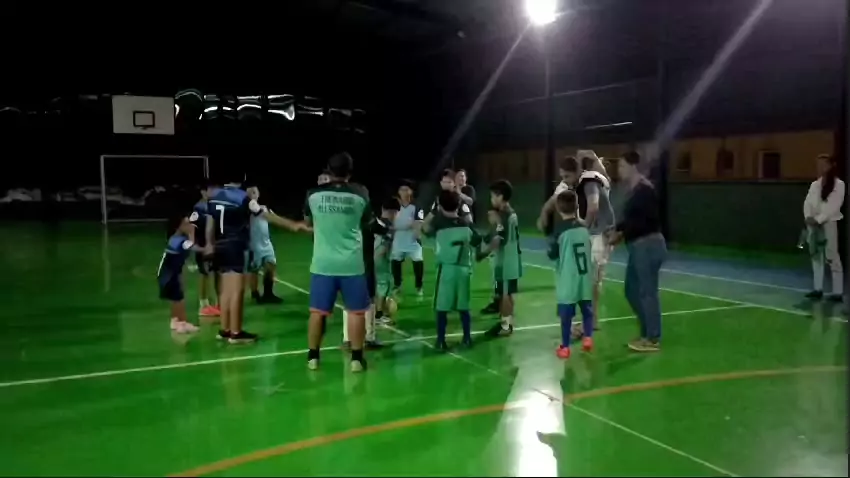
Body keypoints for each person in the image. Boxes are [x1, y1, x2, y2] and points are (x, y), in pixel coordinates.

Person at [206, 178, 307, 344]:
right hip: (235, 246)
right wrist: (292, 225)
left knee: (225, 291)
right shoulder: (242, 198)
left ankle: (225, 330)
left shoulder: (215, 196)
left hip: (220, 245)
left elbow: (210, 223)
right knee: (237, 291)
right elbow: (264, 214)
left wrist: (210, 244)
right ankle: (236, 333)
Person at [303, 152, 373, 372]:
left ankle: (313, 357)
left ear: (328, 170)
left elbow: (308, 223)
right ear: (349, 172)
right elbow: (367, 222)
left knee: (317, 312)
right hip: (351, 263)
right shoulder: (361, 193)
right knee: (356, 312)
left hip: (323, 263)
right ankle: (356, 359)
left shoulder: (313, 195)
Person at [605, 151, 666, 352]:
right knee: (631, 290)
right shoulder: (633, 190)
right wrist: (617, 228)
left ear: (633, 167)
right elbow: (633, 219)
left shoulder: (645, 190)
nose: (619, 170)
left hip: (648, 245)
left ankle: (652, 338)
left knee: (647, 292)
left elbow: (646, 221)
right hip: (637, 246)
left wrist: (620, 234)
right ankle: (646, 331)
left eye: (622, 166)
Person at [423, 190, 487, 351]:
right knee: (464, 305)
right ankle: (467, 338)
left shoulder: (438, 223)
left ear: (440, 205)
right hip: (464, 270)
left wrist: (433, 212)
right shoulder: (466, 224)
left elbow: (424, 228)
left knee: (442, 306)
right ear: (459, 205)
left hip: (446, 269)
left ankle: (441, 341)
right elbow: (478, 241)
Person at [343, 197, 399, 348]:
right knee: (369, 300)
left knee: (349, 300)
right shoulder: (370, 222)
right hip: (365, 265)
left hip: (347, 264)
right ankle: (369, 337)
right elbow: (384, 231)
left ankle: (348, 338)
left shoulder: (348, 222)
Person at [547, 190, 594, 359]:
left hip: (568, 278)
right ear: (576, 206)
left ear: (559, 209)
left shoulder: (560, 230)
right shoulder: (584, 227)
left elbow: (553, 254)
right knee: (587, 309)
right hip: (585, 275)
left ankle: (565, 347)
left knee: (566, 315)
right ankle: (588, 338)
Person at [158, 214, 211, 334]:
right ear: (179, 226)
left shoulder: (175, 239)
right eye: (187, 224)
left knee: (175, 298)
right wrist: (194, 236)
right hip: (170, 275)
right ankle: (182, 323)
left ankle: (175, 320)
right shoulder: (179, 241)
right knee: (179, 299)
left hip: (169, 274)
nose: (190, 226)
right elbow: (194, 247)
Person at [803, 153, 845, 301]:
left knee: (832, 256)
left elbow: (833, 206)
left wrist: (818, 219)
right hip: (813, 225)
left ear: (831, 165)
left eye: (824, 164)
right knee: (816, 255)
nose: (820, 167)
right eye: (818, 164)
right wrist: (808, 217)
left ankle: (837, 292)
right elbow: (807, 203)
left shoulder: (839, 184)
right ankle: (818, 288)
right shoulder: (815, 185)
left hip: (828, 224)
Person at [486, 180, 523, 337]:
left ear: (500, 197)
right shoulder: (506, 213)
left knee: (506, 293)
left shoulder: (505, 215)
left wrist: (484, 252)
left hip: (507, 261)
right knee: (504, 293)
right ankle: (505, 322)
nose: (491, 199)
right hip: (507, 260)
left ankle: (506, 326)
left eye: (493, 196)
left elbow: (501, 239)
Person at [245, 184, 282, 304]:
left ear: (258, 194)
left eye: (255, 192)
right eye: (250, 192)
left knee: (271, 265)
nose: (253, 194)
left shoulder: (265, 208)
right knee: (254, 270)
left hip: (266, 243)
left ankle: (268, 294)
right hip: (253, 245)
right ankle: (255, 293)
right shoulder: (245, 210)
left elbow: (275, 218)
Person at [189, 181, 220, 317]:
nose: (214, 193)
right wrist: (196, 246)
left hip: (216, 244)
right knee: (204, 273)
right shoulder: (198, 209)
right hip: (203, 246)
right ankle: (203, 304)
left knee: (218, 273)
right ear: (203, 192)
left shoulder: (215, 206)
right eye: (211, 190)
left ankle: (219, 302)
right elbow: (192, 228)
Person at [390, 180, 426, 299]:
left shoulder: (417, 206)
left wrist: (411, 228)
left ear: (411, 192)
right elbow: (390, 222)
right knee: (395, 262)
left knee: (418, 262)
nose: (404, 192)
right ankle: (397, 285)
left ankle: (419, 286)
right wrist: (406, 225)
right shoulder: (394, 206)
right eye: (402, 190)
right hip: (398, 239)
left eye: (406, 190)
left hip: (412, 240)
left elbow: (418, 223)